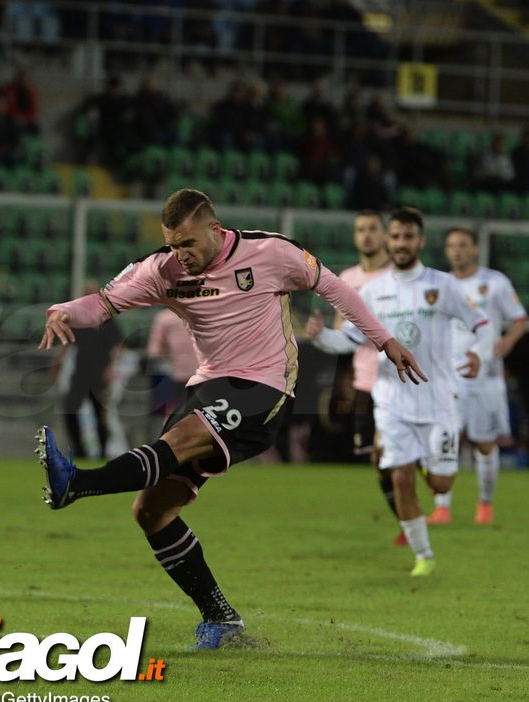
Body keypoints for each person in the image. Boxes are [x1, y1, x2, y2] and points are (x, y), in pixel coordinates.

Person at [35, 189, 423, 650]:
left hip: (265, 387)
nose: (181, 255)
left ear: (215, 232)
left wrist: (384, 340)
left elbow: (333, 287)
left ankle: (77, 483)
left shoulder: (270, 252)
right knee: (152, 511)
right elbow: (101, 304)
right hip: (207, 386)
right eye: (173, 245)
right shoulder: (161, 269)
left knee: (180, 440)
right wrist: (63, 310)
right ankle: (221, 619)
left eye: (188, 244)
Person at [309, 209, 492, 578]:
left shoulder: (443, 286)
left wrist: (478, 353)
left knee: (440, 482)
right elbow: (349, 340)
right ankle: (423, 557)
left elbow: (483, 325)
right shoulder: (373, 292)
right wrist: (319, 337)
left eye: (408, 237)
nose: (401, 244)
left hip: (439, 402)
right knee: (400, 477)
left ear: (421, 241)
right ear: (388, 241)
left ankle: (425, 462)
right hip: (392, 402)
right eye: (395, 237)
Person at [302, 211, 399, 540]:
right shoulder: (348, 278)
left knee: (390, 451)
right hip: (364, 379)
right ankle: (407, 520)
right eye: (361, 230)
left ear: (385, 235)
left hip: (399, 379)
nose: (367, 235)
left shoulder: (398, 276)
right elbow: (344, 332)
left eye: (373, 229)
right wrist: (322, 333)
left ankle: (418, 509)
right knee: (376, 457)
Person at [427, 227, 525, 525]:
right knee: (444, 438)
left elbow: (520, 319)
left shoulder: (494, 282)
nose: (457, 250)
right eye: (452, 245)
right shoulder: (438, 285)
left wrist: (506, 342)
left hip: (486, 376)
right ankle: (442, 507)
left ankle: (485, 504)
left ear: (474, 250)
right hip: (448, 375)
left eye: (463, 245)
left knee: (484, 443)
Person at [53, 281, 123, 459]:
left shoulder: (106, 320)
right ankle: (79, 449)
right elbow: (67, 343)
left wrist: (111, 368)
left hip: (99, 374)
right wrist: (57, 364)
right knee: (69, 409)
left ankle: (102, 451)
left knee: (100, 413)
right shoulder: (78, 319)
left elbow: (119, 345)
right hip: (80, 372)